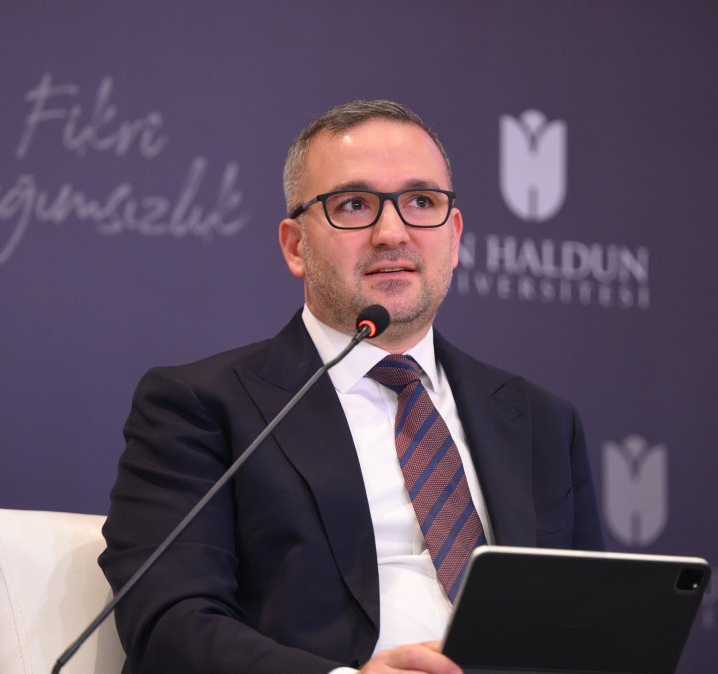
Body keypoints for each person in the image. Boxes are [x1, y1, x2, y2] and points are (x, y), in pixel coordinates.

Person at [99, 100, 603, 674]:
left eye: (421, 202)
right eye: (355, 205)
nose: (393, 233)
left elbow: (591, 622)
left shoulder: (540, 421)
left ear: (455, 235)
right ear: (295, 246)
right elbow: (169, 622)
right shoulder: (200, 406)